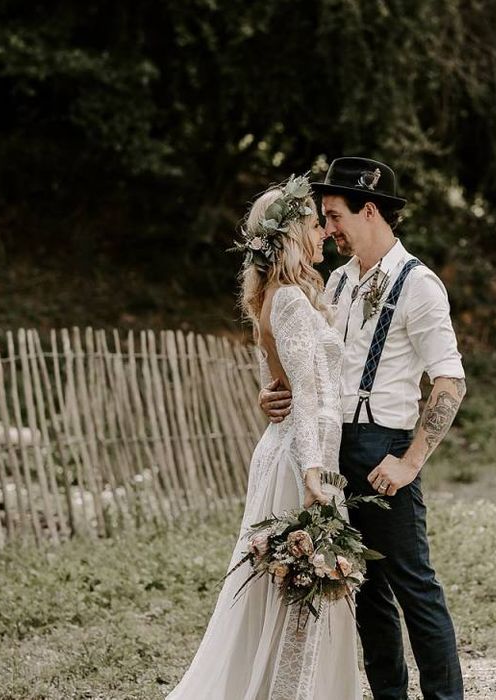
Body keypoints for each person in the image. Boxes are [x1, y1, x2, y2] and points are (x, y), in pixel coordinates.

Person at [261, 157, 466, 700]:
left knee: (413, 588)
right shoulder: (338, 282)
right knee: (364, 589)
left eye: (334, 217)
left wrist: (410, 461)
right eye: (324, 220)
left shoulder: (419, 284)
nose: (327, 231)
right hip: (332, 450)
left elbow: (449, 382)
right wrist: (274, 392)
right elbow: (316, 368)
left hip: (385, 448)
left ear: (369, 209)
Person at [167, 175, 362, 700]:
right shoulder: (292, 301)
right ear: (293, 233)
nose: (323, 231)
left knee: (286, 590)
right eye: (314, 223)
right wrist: (314, 479)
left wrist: (282, 418)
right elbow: (310, 401)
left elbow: (272, 386)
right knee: (299, 593)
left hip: (287, 453)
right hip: (302, 463)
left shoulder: (277, 296)